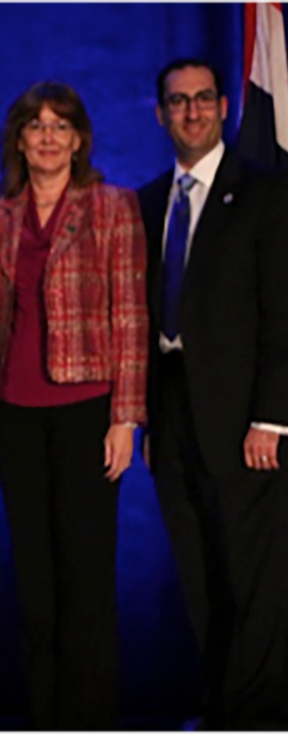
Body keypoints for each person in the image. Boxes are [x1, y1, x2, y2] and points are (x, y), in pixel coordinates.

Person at [0, 82, 148, 731]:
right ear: (20, 139)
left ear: (79, 139)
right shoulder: (1, 211)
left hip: (88, 407)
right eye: (36, 125)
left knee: (85, 576)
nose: (48, 136)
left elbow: (132, 316)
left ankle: (90, 716)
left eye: (61, 126)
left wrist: (125, 419)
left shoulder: (112, 206)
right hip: (13, 409)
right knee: (34, 579)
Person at [139, 58, 288, 730]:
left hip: (243, 421)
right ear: (160, 113)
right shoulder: (143, 203)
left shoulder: (265, 194)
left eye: (203, 99)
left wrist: (273, 418)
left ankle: (254, 711)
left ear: (225, 107)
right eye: (178, 101)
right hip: (171, 417)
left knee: (253, 575)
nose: (191, 112)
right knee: (197, 571)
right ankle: (220, 701)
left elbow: (283, 316)